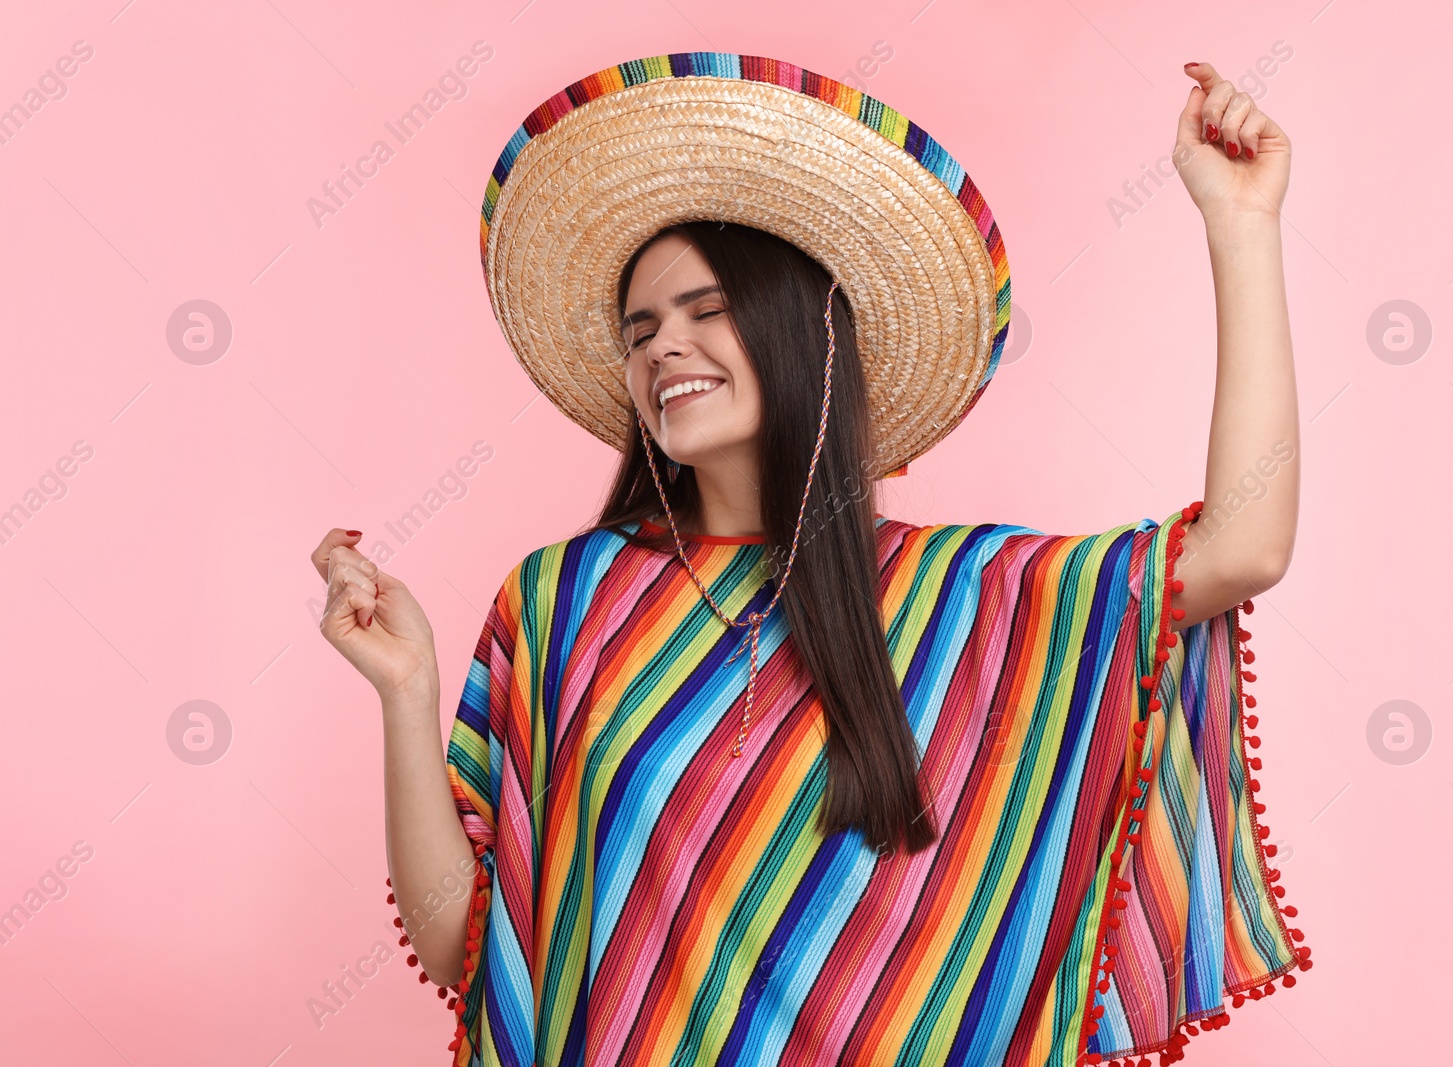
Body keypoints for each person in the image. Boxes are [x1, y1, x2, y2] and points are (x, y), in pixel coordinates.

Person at [311, 52, 1307, 1067]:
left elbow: (1240, 546)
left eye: (706, 310)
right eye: (640, 329)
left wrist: (1241, 223)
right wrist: (407, 690)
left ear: (805, 333)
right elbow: (460, 944)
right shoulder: (563, 599)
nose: (662, 349)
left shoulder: (960, 597)